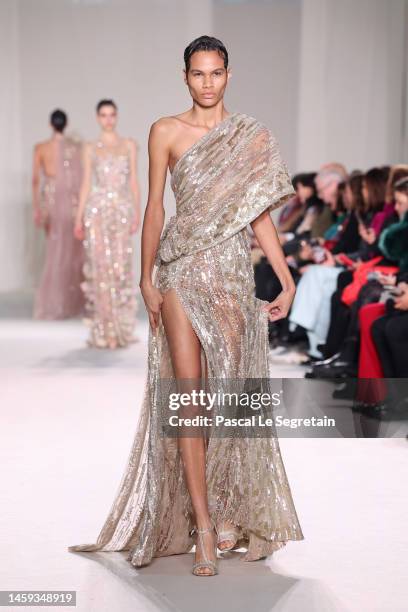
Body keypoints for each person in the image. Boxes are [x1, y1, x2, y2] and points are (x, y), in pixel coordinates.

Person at [69, 36, 304, 576]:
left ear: (228, 74)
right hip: (180, 272)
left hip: (228, 272)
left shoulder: (249, 137)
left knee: (232, 396)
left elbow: (259, 215)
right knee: (190, 397)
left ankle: (229, 510)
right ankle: (201, 524)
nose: (207, 82)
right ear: (185, 77)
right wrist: (146, 277)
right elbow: (155, 205)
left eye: (215, 73)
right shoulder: (165, 131)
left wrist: (287, 280)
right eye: (197, 74)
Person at [74, 99, 141, 349]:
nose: (108, 119)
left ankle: (120, 327)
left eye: (112, 114)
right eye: (103, 115)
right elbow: (85, 185)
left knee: (120, 267)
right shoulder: (90, 148)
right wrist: (79, 216)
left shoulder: (129, 146)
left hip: (121, 210)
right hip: (98, 211)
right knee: (101, 268)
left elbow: (134, 181)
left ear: (117, 116)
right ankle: (105, 329)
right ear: (97, 118)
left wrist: (136, 212)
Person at [32, 109, 84, 319]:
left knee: (55, 250)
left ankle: (55, 302)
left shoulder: (41, 148)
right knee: (71, 251)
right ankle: (70, 302)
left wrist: (37, 207)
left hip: (51, 198)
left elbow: (36, 180)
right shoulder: (74, 148)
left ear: (50, 124)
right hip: (70, 201)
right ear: (66, 123)